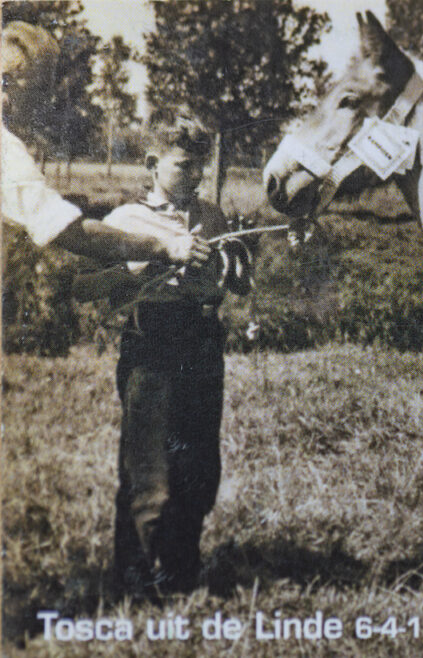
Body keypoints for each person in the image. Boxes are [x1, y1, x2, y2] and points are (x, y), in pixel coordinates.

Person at [102, 114, 254, 597]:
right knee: (148, 470)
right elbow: (90, 287)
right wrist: (158, 257)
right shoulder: (125, 220)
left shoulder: (212, 215)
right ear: (152, 164)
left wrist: (239, 266)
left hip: (202, 342)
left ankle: (180, 573)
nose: (195, 175)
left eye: (200, 166)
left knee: (198, 466)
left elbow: (233, 285)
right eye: (184, 165)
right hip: (153, 342)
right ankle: (134, 581)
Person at [1, 20, 209, 267]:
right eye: (40, 88)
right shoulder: (7, 150)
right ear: (6, 81)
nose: (48, 100)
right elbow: (74, 235)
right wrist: (165, 246)